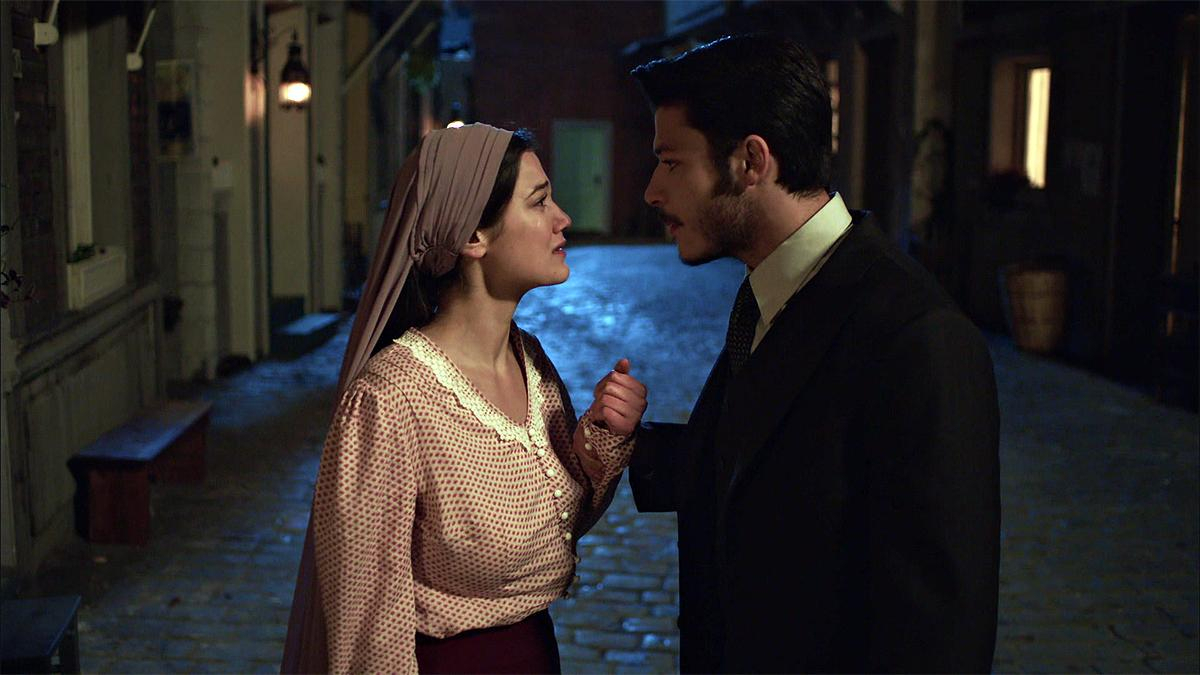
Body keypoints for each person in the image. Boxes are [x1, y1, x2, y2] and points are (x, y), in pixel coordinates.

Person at [627, 34, 1000, 672]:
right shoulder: (772, 288)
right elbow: (776, 459)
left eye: (671, 162)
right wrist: (633, 447)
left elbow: (940, 632)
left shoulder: (917, 337)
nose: (652, 192)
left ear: (751, 161)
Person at [280, 124, 649, 674]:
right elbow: (366, 629)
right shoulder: (391, 400)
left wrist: (602, 439)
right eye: (539, 202)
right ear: (474, 236)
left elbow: (555, 530)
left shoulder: (532, 362)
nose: (563, 218)